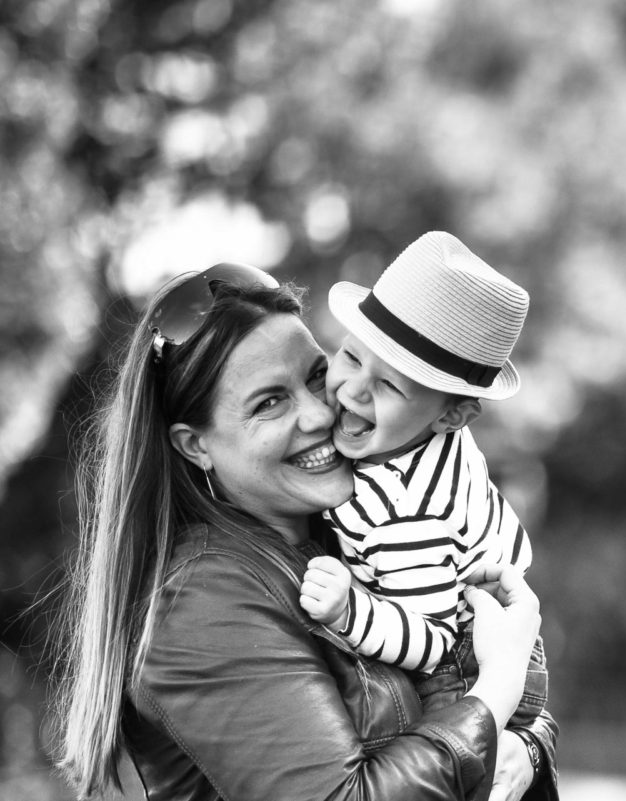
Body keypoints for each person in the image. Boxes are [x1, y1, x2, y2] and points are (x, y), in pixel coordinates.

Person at [52, 263, 558, 801]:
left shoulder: (357, 528)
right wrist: (496, 692)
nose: (322, 413)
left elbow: (482, 698)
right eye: (269, 402)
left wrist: (525, 745)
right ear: (195, 445)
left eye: (317, 376)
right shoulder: (202, 600)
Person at [298, 232, 547, 735]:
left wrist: (350, 611)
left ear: (454, 416)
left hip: (460, 665)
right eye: (350, 358)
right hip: (476, 629)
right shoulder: (414, 431)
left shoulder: (406, 514)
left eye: (389, 385)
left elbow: (431, 642)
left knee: (437, 769)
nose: (353, 390)